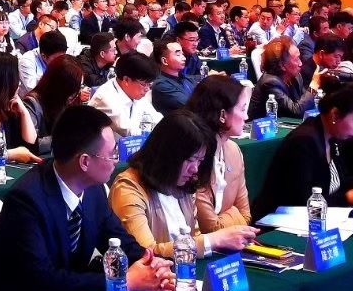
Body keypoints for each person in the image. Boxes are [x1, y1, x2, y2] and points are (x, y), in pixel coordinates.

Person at [0, 105, 175, 291]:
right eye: (112, 154)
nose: (116, 161)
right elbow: (41, 279)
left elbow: (120, 240)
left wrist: (154, 266)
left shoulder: (94, 189)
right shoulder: (26, 200)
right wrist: (122, 281)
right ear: (85, 162)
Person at [110, 111, 258, 260]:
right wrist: (215, 239)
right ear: (167, 154)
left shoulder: (184, 185)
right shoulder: (128, 188)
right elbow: (146, 254)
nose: (195, 169)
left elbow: (194, 238)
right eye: (190, 160)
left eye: (199, 161)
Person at [252, 84, 353, 219]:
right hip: (279, 221)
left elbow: (339, 181)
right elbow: (300, 201)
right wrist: (346, 198)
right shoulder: (303, 142)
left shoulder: (332, 137)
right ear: (335, 115)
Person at [183, 76, 255, 233]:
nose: (246, 117)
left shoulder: (233, 150)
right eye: (242, 109)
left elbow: (246, 215)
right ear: (222, 115)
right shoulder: (194, 157)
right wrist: (233, 215)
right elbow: (210, 227)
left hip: (231, 242)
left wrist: (228, 221)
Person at [87, 50, 161, 137]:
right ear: (126, 80)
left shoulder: (134, 91)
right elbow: (130, 133)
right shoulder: (105, 99)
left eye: (150, 84)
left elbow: (155, 118)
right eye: (144, 84)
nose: (147, 89)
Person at [22, 55, 84, 156]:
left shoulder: (67, 100)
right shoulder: (32, 103)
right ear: (61, 86)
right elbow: (32, 145)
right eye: (74, 88)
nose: (77, 93)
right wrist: (66, 138)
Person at [247, 38, 317, 120]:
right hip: (260, 127)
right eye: (296, 59)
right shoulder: (270, 83)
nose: (300, 63)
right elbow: (296, 112)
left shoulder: (296, 77)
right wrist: (314, 85)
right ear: (283, 65)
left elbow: (304, 104)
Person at [148, 36, 198, 113]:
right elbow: (191, 107)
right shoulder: (161, 85)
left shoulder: (186, 78)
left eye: (182, 54)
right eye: (178, 55)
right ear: (164, 61)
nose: (184, 58)